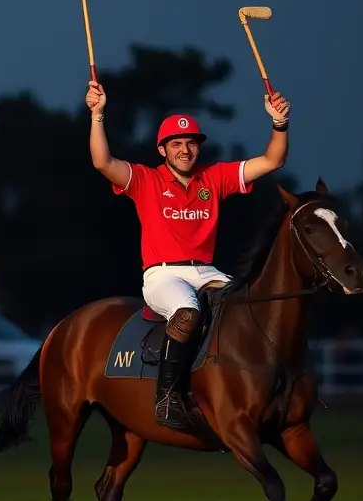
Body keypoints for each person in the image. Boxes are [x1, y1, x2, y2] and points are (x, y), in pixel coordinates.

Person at [86, 80, 290, 430]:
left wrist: (279, 123)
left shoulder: (214, 178)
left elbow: (273, 160)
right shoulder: (146, 180)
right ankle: (166, 398)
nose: (185, 150)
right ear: (162, 150)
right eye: (176, 143)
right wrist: (97, 114)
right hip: (163, 274)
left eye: (191, 143)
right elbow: (102, 161)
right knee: (187, 313)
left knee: (250, 307)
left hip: (207, 271)